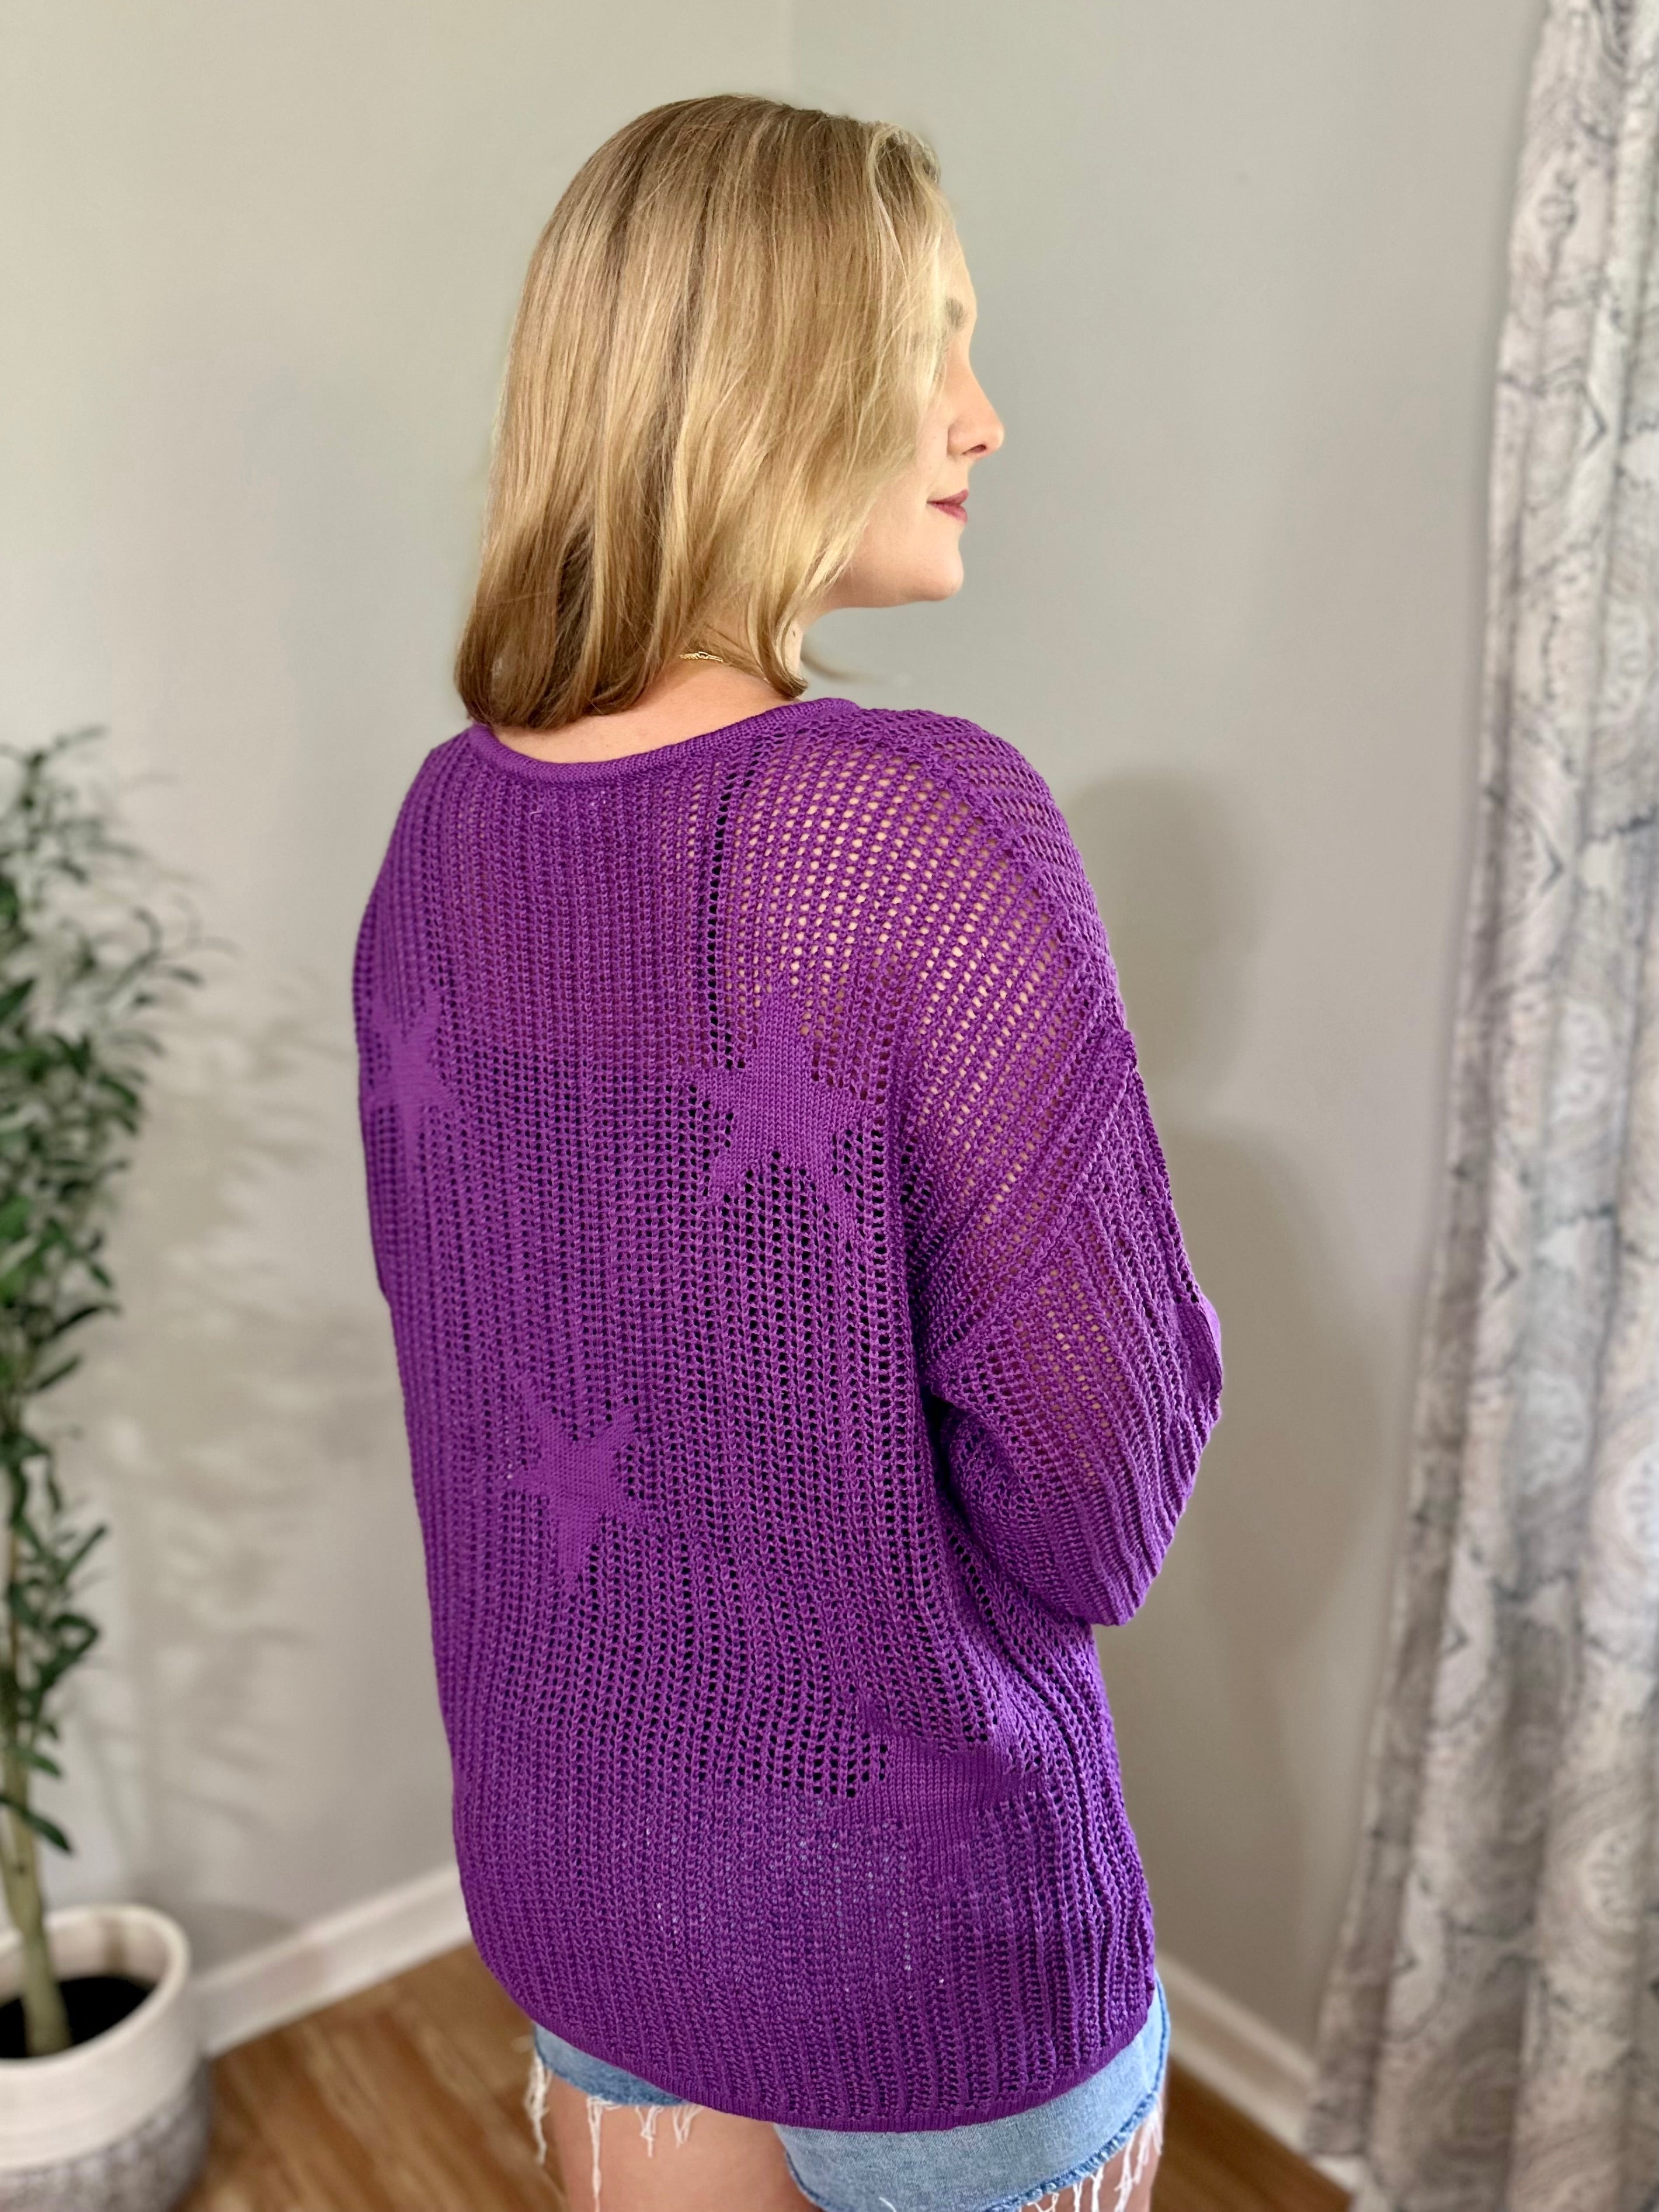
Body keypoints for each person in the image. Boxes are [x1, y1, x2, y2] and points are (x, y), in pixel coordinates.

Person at [353, 91, 1223, 2212]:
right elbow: (1100, 1502)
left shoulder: (439, 830)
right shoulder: (915, 831)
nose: (982, 415)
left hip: (586, 1887)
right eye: (932, 342)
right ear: (767, 383)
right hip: (921, 1948)